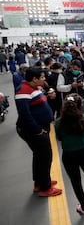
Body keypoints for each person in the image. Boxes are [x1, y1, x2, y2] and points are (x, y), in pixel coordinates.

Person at [15, 67, 62, 197]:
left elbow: (36, 103)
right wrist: (37, 130)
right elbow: (24, 114)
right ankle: (45, 188)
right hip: (33, 131)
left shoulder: (34, 88)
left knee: (39, 156)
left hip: (39, 128)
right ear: (34, 79)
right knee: (45, 156)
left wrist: (47, 96)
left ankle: (40, 182)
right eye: (42, 77)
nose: (44, 79)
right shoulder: (22, 91)